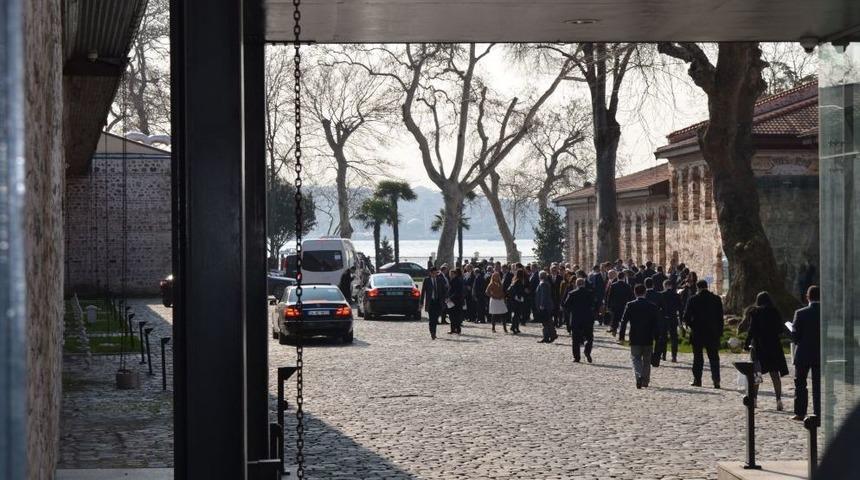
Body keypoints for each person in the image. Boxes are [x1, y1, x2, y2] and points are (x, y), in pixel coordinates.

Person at [744, 291, 789, 411]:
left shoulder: (755, 312)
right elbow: (780, 329)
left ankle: (754, 400)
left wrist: (746, 343)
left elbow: (751, 330)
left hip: (759, 346)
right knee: (775, 375)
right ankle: (778, 400)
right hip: (773, 346)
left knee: (757, 374)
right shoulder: (774, 311)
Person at [683, 279, 724, 388]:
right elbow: (720, 318)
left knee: (698, 357)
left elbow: (686, 317)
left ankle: (697, 380)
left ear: (698, 288)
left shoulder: (693, 299)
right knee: (714, 357)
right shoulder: (716, 299)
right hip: (712, 332)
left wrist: (692, 326)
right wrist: (719, 331)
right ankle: (716, 380)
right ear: (707, 287)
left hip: (698, 332)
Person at [619, 284, 661, 389]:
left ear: (635, 292)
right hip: (648, 336)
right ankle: (645, 381)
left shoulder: (630, 305)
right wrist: (657, 336)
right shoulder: (652, 306)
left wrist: (621, 336)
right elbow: (657, 323)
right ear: (645, 292)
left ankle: (638, 376)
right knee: (647, 360)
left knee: (636, 358)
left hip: (635, 336)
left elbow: (624, 321)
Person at [792, 285, 821, 420]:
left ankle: (800, 412)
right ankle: (818, 412)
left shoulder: (800, 313)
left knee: (800, 384)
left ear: (807, 297)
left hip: (803, 353)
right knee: (818, 385)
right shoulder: (825, 313)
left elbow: (795, 336)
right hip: (820, 353)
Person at [564, 278, 594, 363]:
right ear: (584, 284)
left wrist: (571, 312)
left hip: (575, 319)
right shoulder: (590, 293)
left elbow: (566, 305)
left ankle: (576, 357)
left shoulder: (572, 293)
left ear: (576, 284)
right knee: (589, 337)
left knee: (575, 339)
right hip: (587, 318)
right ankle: (587, 350)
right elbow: (594, 305)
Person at [419, 267, 447, 339]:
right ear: (430, 273)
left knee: (436, 317)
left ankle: (434, 331)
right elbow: (423, 292)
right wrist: (421, 303)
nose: (435, 275)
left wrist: (445, 299)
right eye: (433, 273)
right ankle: (432, 332)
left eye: (436, 273)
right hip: (430, 302)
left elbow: (444, 290)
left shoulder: (440, 279)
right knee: (431, 318)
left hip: (438, 301)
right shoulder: (426, 280)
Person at [660, 279, 682, 362]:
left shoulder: (661, 295)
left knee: (663, 337)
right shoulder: (676, 295)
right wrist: (680, 318)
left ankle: (664, 355)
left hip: (664, 318)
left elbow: (658, 307)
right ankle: (674, 356)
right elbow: (680, 307)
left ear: (664, 286)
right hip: (673, 317)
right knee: (674, 338)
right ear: (671, 286)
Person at [535, 271, 557, 343]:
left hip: (545, 306)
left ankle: (548, 336)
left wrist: (542, 305)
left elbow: (543, 295)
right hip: (547, 306)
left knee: (546, 322)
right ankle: (550, 335)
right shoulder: (545, 283)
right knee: (548, 321)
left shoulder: (543, 283)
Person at [507, 269, 526, 334]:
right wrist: (520, 297)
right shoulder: (519, 281)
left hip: (514, 300)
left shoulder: (514, 280)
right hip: (518, 300)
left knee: (516, 314)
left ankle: (516, 327)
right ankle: (513, 327)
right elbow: (519, 290)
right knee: (517, 314)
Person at [446, 268, 465, 334]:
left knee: (456, 316)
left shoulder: (457, 281)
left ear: (455, 274)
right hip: (452, 301)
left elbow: (457, 292)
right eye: (450, 274)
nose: (450, 275)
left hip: (456, 301)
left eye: (452, 274)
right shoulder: (452, 280)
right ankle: (453, 329)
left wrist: (450, 298)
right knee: (452, 316)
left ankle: (457, 329)